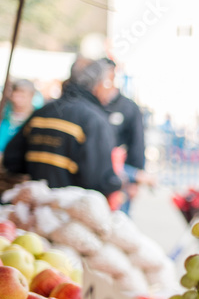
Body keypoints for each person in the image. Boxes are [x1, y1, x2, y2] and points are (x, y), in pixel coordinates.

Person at [3, 58, 121, 198]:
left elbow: (11, 160)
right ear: (98, 85)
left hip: (35, 208)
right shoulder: (94, 120)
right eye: (109, 83)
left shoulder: (43, 112)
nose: (111, 90)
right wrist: (119, 183)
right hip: (69, 212)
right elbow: (98, 180)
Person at [100, 59, 154, 214]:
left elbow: (137, 143)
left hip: (122, 177)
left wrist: (134, 181)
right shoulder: (94, 104)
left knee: (120, 222)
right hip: (99, 176)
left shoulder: (128, 107)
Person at [0, 79, 41, 153]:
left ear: (32, 96)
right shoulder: (4, 114)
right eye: (15, 96)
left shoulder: (37, 118)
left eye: (22, 97)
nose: (17, 100)